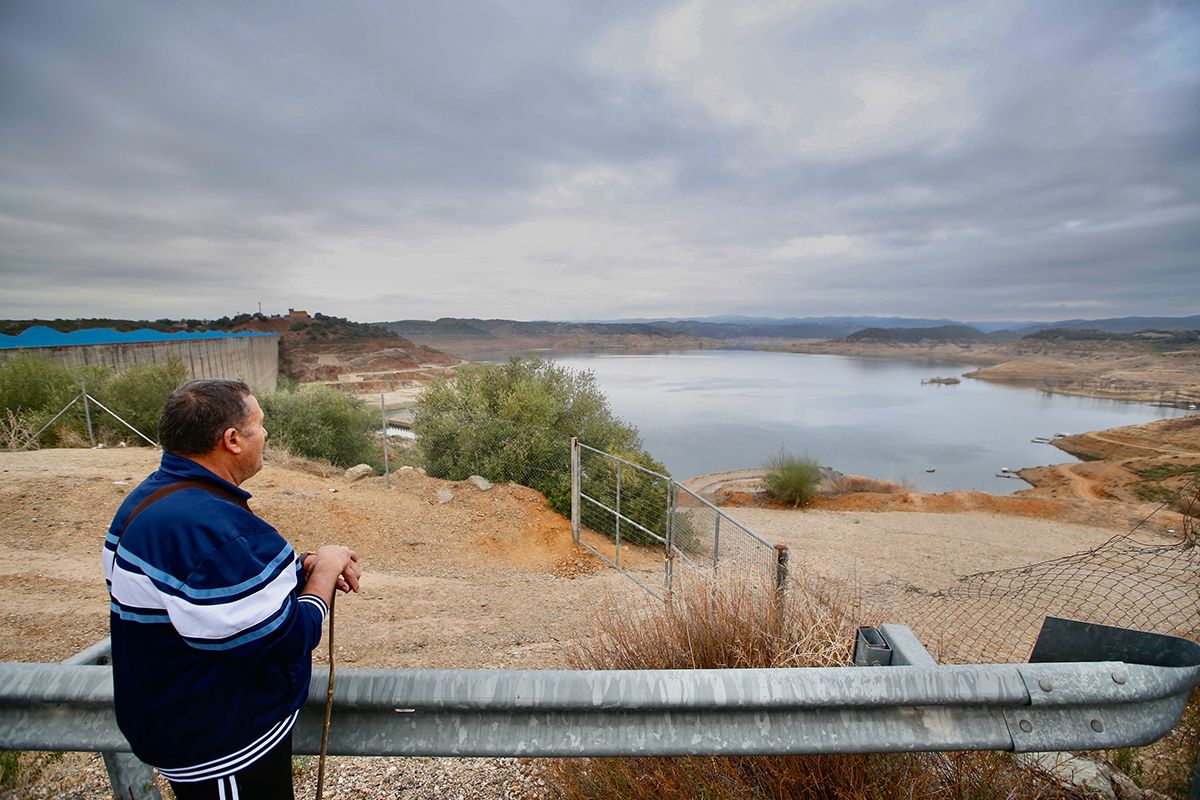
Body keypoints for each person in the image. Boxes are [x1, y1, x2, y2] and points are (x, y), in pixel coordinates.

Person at [102, 379, 361, 800]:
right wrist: (324, 575)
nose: (266, 435)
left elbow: (213, 596)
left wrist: (297, 570)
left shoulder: (151, 501)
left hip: (185, 728)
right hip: (224, 747)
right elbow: (285, 638)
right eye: (259, 425)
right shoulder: (211, 529)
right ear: (233, 440)